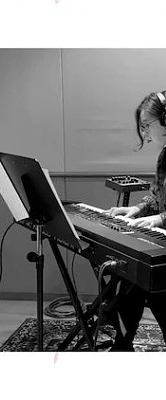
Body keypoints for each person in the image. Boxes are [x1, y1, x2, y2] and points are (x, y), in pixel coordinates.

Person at [105, 91, 166, 350]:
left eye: (147, 125)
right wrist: (137, 209)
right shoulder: (164, 156)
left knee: (147, 283)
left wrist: (159, 219)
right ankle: (122, 344)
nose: (145, 133)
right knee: (129, 275)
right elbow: (157, 196)